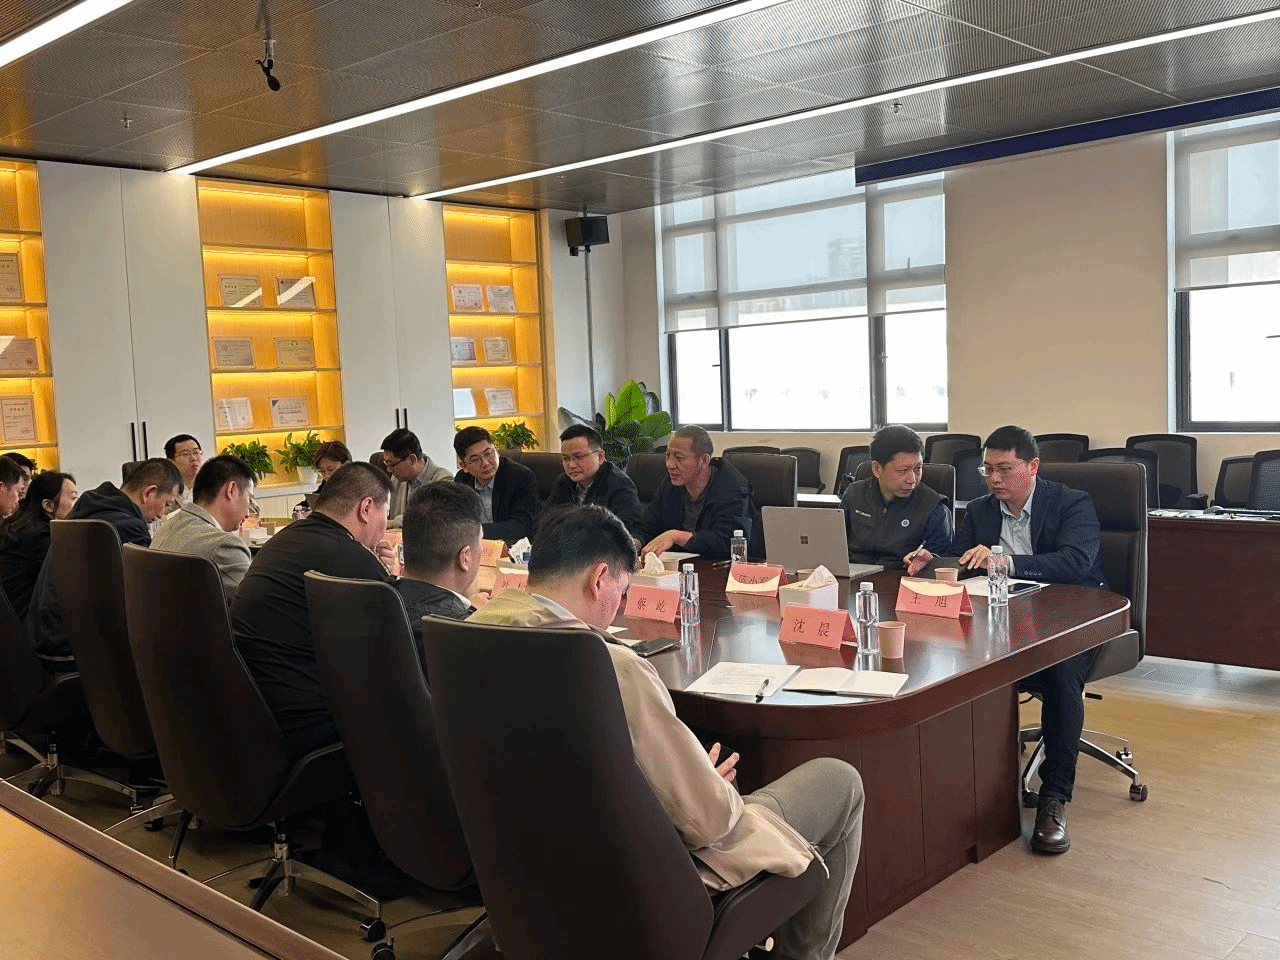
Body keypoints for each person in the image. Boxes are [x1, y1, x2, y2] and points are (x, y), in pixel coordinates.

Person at [470, 505, 863, 960]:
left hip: (525, 873)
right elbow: (709, 821)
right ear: (600, 579)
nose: (616, 608)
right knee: (841, 781)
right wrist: (705, 781)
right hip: (639, 882)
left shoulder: (467, 634)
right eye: (621, 593)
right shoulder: (606, 666)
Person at [907, 425, 1104, 856]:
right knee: (952, 655)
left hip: (1072, 618)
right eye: (988, 470)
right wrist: (934, 560)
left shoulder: (1072, 503)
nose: (994, 479)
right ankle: (970, 790)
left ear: (1033, 466)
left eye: (1005, 469)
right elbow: (964, 561)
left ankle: (1054, 798)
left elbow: (1076, 562)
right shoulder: (981, 509)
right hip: (1003, 619)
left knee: (1061, 675)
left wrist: (1007, 561)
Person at [231, 462, 395, 761]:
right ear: (366, 508)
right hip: (305, 729)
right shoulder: (351, 559)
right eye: (386, 514)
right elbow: (401, 645)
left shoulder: (285, 540)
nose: (384, 527)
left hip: (250, 714)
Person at [27, 458, 181, 661]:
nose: (162, 514)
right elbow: (147, 597)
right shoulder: (126, 526)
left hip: (48, 638)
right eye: (166, 504)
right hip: (73, 653)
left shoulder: (89, 509)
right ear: (148, 493)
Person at [631, 425, 755, 560]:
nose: (669, 464)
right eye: (667, 455)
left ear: (704, 460)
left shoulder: (732, 488)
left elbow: (729, 543)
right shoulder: (669, 485)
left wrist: (676, 536)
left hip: (718, 567)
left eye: (679, 457)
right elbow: (648, 526)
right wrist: (635, 543)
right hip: (676, 566)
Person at [839, 425, 951, 569]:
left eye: (918, 468)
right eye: (903, 470)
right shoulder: (854, 494)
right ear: (877, 469)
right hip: (853, 575)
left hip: (900, 577)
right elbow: (834, 544)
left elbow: (944, 563)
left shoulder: (934, 507)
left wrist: (930, 559)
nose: (912, 479)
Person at [395, 482, 484, 661]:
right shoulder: (469, 635)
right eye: (481, 541)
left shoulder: (369, 601)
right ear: (465, 558)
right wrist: (475, 616)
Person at [151, 455, 255, 604]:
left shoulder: (168, 527)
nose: (248, 512)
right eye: (249, 499)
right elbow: (259, 606)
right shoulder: (224, 546)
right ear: (231, 490)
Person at [0, 471, 76, 619]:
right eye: (73, 498)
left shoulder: (15, 526)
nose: (77, 505)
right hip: (24, 625)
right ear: (48, 505)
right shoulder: (41, 538)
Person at [546, 424, 644, 534]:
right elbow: (545, 522)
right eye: (565, 459)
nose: (571, 465)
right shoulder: (563, 482)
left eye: (578, 457)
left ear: (600, 457)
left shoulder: (620, 485)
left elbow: (624, 532)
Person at [452, 426, 541, 544]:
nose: (485, 463)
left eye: (488, 453)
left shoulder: (521, 476)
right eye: (476, 459)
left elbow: (521, 526)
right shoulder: (462, 480)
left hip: (513, 547)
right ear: (464, 466)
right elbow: (458, 520)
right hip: (476, 547)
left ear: (496, 450)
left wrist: (476, 530)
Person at [380, 428, 453, 529]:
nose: (389, 470)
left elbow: (436, 519)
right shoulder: (397, 479)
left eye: (392, 464)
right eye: (386, 463)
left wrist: (395, 522)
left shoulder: (443, 480)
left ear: (412, 459)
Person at [294, 440, 351, 516]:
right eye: (322, 471)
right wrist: (302, 510)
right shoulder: (326, 484)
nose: (326, 476)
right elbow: (307, 504)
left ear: (347, 465)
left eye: (331, 469)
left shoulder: (359, 485)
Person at [164, 434, 203, 509]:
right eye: (185, 454)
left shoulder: (212, 488)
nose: (193, 458)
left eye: (196, 452)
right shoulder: (165, 491)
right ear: (171, 462)